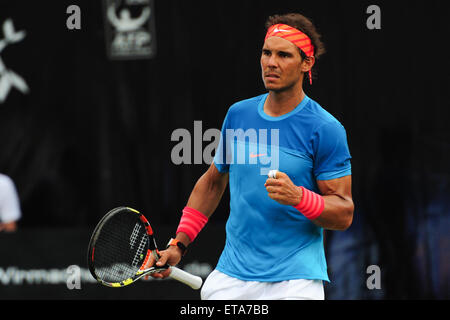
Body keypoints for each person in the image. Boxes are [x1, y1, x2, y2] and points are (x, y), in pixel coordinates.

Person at [148, 13, 354, 300]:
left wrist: (299, 197)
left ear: (307, 63)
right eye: (266, 53)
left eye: (284, 55)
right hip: (231, 276)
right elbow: (212, 183)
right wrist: (178, 245)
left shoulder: (326, 129)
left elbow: (343, 212)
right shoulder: (238, 114)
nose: (271, 62)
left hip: (294, 282)